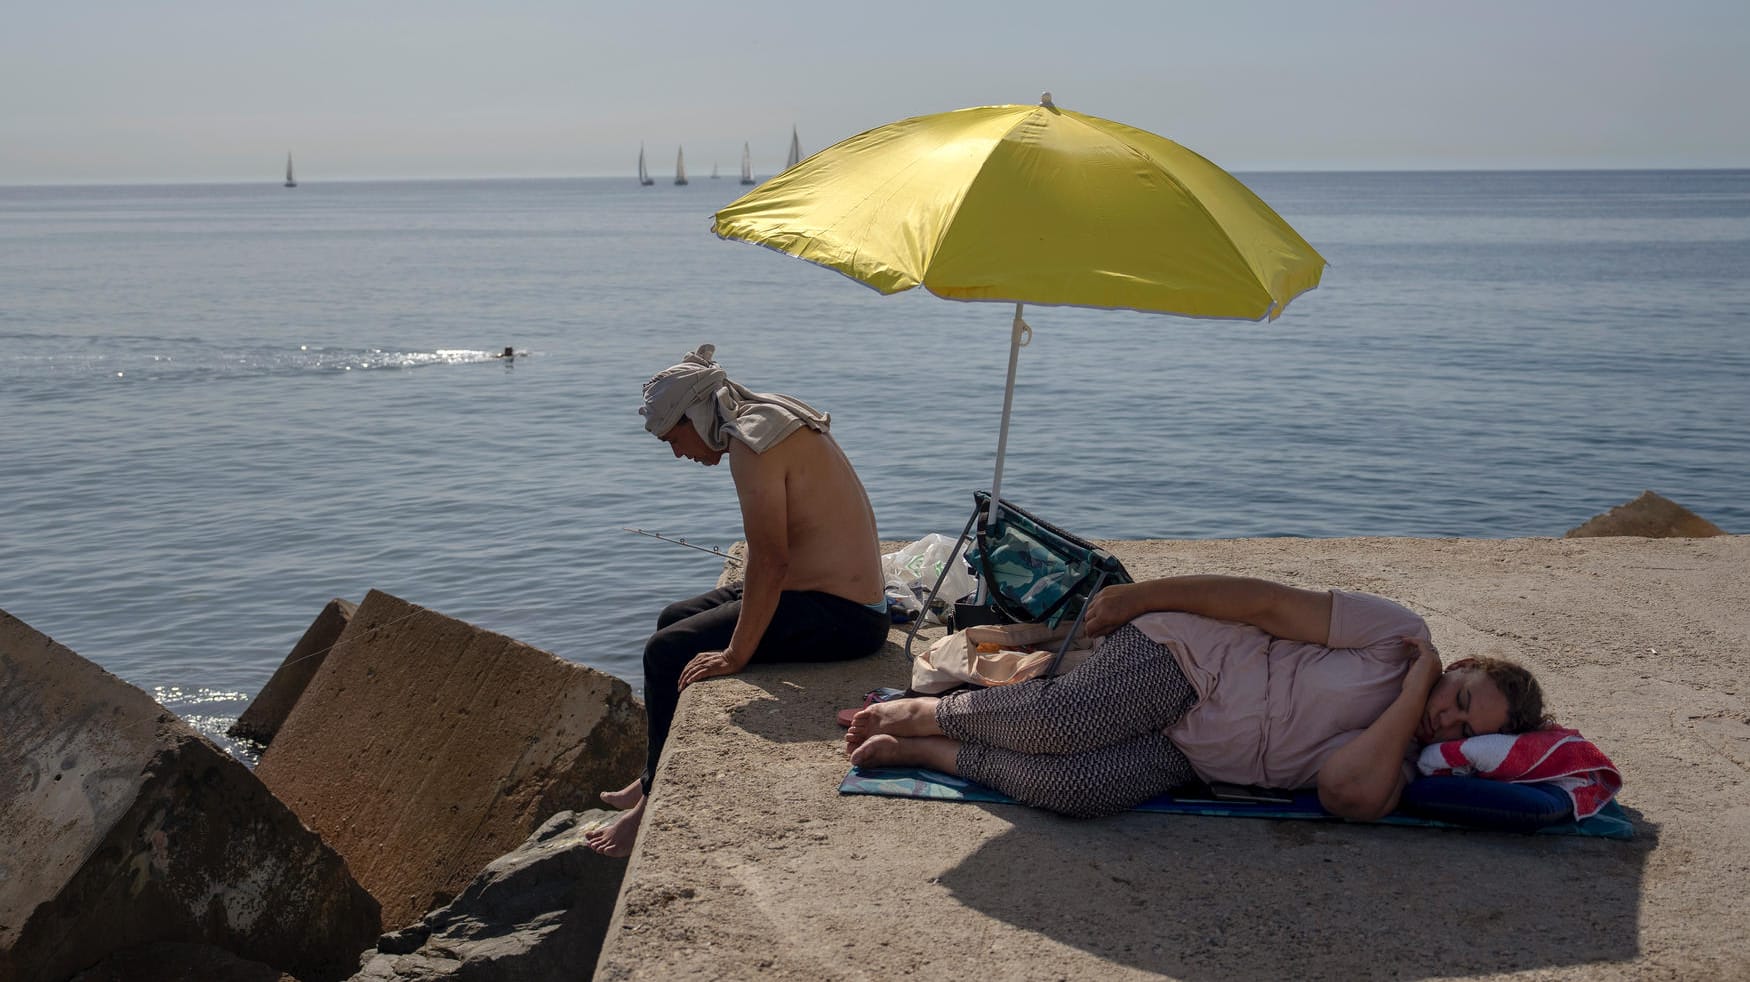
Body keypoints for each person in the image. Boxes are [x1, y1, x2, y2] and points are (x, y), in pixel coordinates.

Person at [846, 574, 1547, 820]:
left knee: (1076, 791)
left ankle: (936, 753)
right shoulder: (1398, 635)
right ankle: (930, 711)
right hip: (1196, 663)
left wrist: (1415, 698)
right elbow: (1267, 605)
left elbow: (1345, 794)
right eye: (1458, 692)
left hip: (1193, 754)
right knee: (1067, 719)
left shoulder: (1400, 759)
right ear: (1462, 665)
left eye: (1460, 726)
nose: (1444, 716)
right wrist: (1142, 597)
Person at [587, 343, 890, 856]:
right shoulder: (768, 414)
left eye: (673, 438)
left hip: (847, 616)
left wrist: (735, 655)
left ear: (695, 415)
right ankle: (649, 774)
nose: (678, 452)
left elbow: (771, 562)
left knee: (666, 650)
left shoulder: (753, 444)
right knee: (673, 618)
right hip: (827, 593)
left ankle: (650, 807)